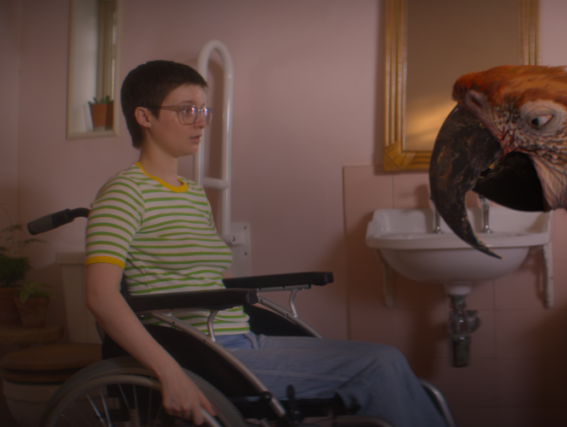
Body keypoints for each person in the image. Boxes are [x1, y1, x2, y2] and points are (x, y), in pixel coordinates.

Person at [84, 60, 447, 427]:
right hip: (200, 353)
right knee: (379, 367)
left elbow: (206, 281)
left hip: (238, 339)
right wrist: (170, 372)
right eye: (186, 110)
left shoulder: (192, 194)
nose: (201, 122)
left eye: (203, 110)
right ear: (144, 117)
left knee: (387, 358)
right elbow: (100, 296)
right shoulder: (123, 193)